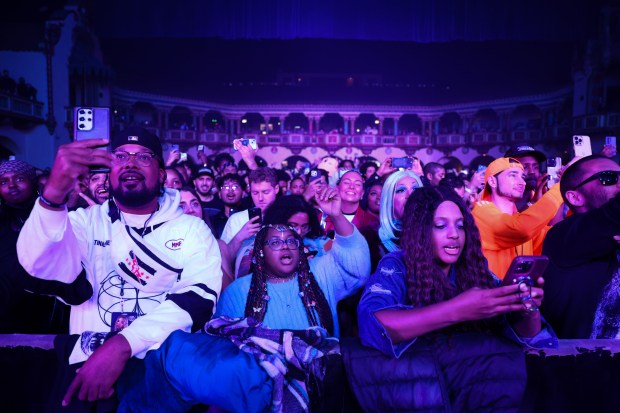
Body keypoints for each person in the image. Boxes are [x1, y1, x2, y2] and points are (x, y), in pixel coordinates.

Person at [16, 126, 222, 408]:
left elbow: (198, 300)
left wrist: (123, 344)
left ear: (162, 174)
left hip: (162, 370)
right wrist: (53, 195)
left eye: (144, 157)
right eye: (121, 156)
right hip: (88, 367)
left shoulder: (191, 229)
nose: (130, 163)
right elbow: (35, 266)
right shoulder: (84, 222)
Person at [116, 185, 371, 413]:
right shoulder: (238, 292)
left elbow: (358, 269)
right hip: (261, 395)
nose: (285, 246)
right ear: (259, 251)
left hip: (323, 386)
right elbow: (226, 354)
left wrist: (336, 216)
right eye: (275, 242)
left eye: (291, 241)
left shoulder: (321, 272)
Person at [352, 186, 556, 412]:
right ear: (419, 231)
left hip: (488, 393)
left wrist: (526, 308)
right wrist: (457, 309)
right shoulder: (397, 265)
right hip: (427, 395)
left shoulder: (476, 270)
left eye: (460, 226)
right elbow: (374, 322)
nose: (454, 234)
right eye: (440, 226)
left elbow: (529, 336)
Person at [542, 155, 620, 338]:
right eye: (608, 177)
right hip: (588, 362)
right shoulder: (562, 235)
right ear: (575, 197)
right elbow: (612, 214)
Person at [472, 157, 564, 278]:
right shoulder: (480, 211)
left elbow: (555, 236)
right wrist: (560, 188)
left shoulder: (518, 218)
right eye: (512, 175)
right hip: (492, 295)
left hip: (521, 295)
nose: (522, 182)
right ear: (493, 181)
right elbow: (520, 229)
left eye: (522, 177)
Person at [221, 167, 280, 279]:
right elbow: (224, 262)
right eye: (255, 193)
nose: (260, 198)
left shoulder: (286, 217)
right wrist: (239, 237)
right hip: (242, 284)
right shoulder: (236, 219)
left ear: (276, 188)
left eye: (266, 192)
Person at [504, 145, 548, 211]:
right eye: (524, 167)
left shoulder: (540, 195)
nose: (532, 171)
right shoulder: (498, 200)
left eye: (535, 167)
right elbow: (513, 221)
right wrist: (533, 202)